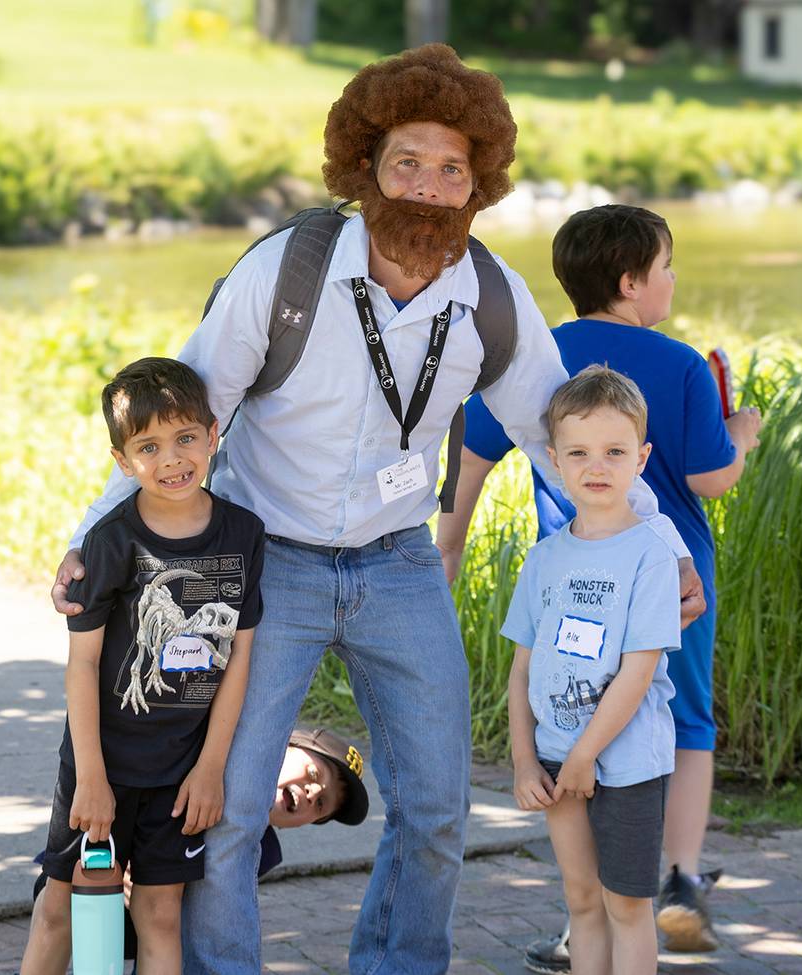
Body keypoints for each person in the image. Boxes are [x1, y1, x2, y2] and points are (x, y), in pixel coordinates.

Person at [52, 46, 701, 974]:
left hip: (398, 563)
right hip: (266, 561)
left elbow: (568, 435)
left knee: (439, 807)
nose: (430, 189)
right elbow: (185, 409)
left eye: (453, 171)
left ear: (478, 187)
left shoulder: (492, 298)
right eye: (409, 163)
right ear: (366, 167)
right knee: (232, 809)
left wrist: (664, 544)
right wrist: (89, 540)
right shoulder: (289, 272)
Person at [437, 204, 763, 969]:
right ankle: (677, 882)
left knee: (569, 714)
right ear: (630, 281)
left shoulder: (538, 354)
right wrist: (741, 429)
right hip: (671, 576)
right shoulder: (682, 363)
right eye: (666, 269)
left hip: (569, 573)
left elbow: (473, 457)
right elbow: (713, 480)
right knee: (680, 721)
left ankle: (581, 913)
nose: (671, 282)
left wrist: (446, 547)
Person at [20, 357, 265, 975]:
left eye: (186, 438)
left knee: (160, 915)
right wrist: (91, 778)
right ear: (123, 461)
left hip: (181, 771)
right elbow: (83, 666)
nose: (172, 459)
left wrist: (210, 769)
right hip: (103, 763)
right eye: (149, 446)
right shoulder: (112, 541)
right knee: (63, 908)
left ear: (214, 435)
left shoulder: (244, 534)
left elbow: (238, 657)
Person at [504, 364, 684, 975]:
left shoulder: (652, 553)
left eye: (614, 451)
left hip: (626, 761)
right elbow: (522, 668)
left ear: (642, 457)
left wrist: (585, 758)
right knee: (581, 900)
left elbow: (637, 672)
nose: (596, 466)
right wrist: (527, 759)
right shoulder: (544, 559)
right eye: (579, 452)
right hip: (555, 759)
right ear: (554, 459)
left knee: (625, 903)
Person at [25, 727, 370, 970]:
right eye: (312, 772)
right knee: (61, 903)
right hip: (102, 879)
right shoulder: (210, 774)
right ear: (280, 745)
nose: (312, 792)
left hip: (164, 922)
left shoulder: (261, 851)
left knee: (178, 933)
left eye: (322, 804)